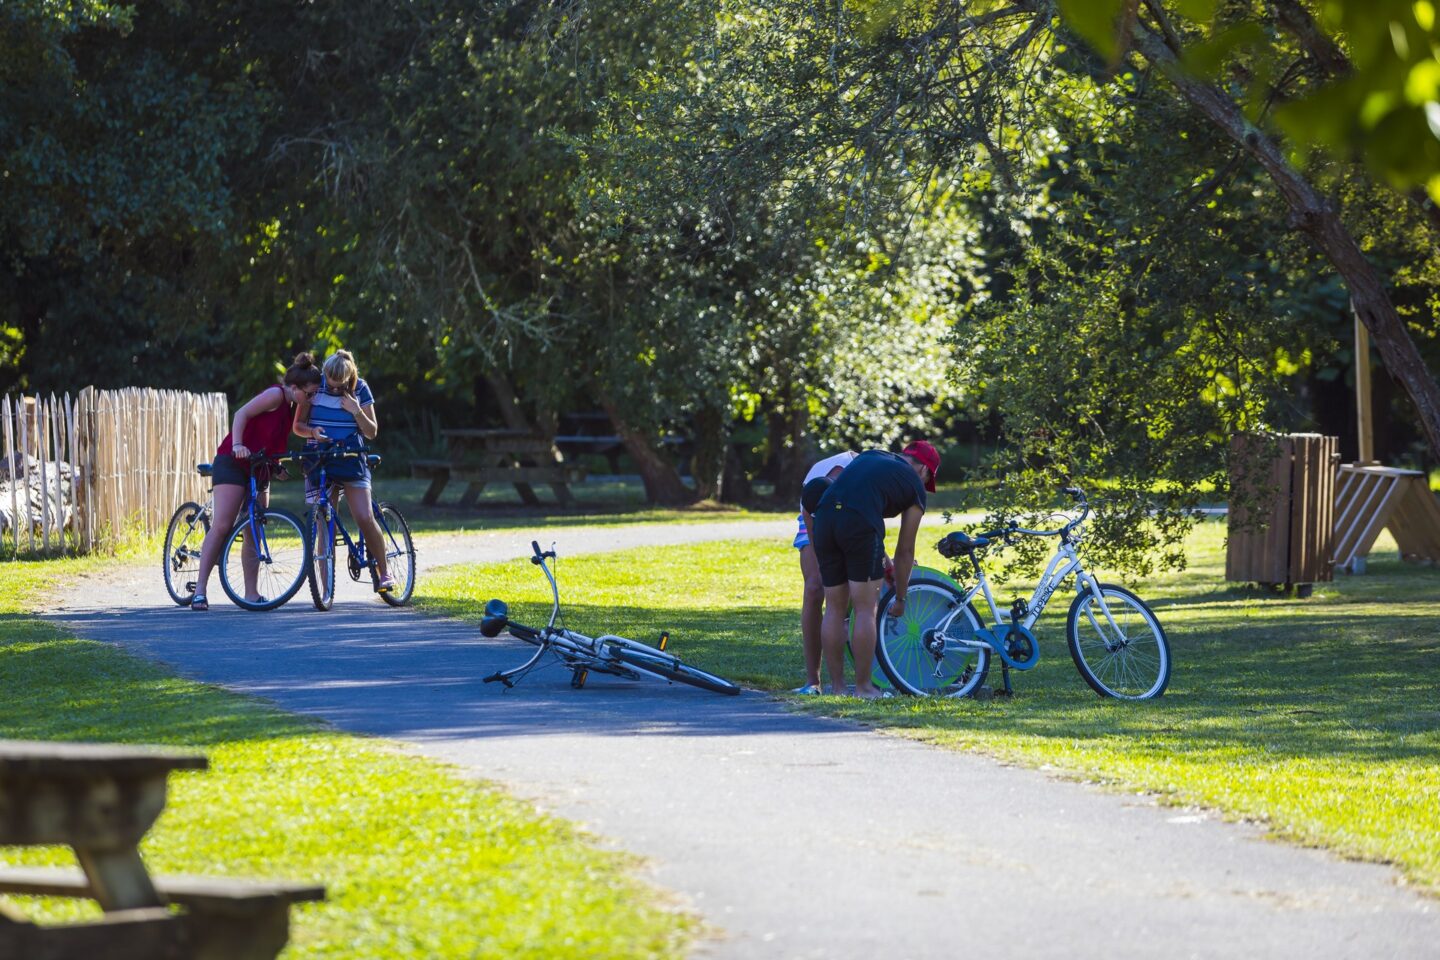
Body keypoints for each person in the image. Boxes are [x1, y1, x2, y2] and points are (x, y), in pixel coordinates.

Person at [190, 353, 323, 610]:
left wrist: (277, 468)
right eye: (310, 393)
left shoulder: (294, 406)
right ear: (294, 388)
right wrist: (238, 444)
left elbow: (270, 440)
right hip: (234, 462)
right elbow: (241, 414)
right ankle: (200, 590)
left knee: (255, 525)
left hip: (259, 467)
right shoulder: (276, 395)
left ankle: (251, 593)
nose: (312, 398)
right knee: (222, 525)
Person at [810, 440, 940, 697]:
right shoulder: (915, 487)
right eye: (927, 480)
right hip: (858, 523)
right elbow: (905, 550)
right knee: (865, 609)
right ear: (924, 470)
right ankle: (864, 688)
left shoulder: (871, 455)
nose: (924, 486)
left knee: (834, 609)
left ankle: (837, 688)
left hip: (824, 517)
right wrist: (901, 598)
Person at [292, 350, 394, 592]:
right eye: (331, 383)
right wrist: (312, 432)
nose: (333, 389)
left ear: (349, 379)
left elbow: (371, 432)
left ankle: (385, 572)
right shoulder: (315, 388)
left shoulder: (361, 389)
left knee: (364, 516)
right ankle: (326, 587)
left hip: (350, 458)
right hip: (320, 458)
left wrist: (356, 410)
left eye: (339, 386)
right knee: (324, 522)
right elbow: (297, 426)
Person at [792, 451, 858, 695]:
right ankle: (813, 681)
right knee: (815, 588)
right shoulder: (823, 484)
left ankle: (855, 679)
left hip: (851, 520)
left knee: (850, 594)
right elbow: (812, 528)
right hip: (814, 518)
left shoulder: (867, 481)